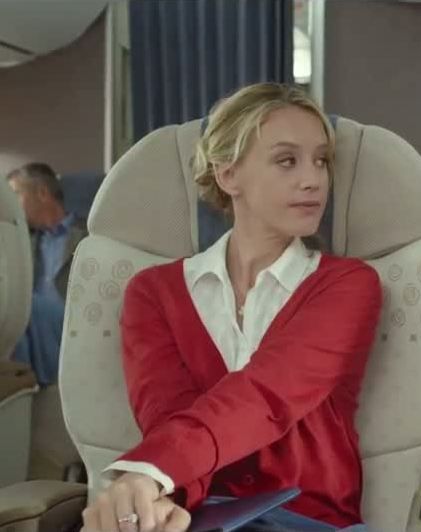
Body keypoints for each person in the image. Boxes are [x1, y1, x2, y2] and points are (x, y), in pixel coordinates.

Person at [80, 83, 382, 532]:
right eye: (287, 161)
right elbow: (167, 417)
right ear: (228, 175)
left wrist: (150, 473)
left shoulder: (348, 285)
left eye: (321, 161)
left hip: (311, 521)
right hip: (199, 517)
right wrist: (162, 500)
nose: (313, 179)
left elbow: (268, 395)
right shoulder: (153, 293)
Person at [6, 162, 87, 385]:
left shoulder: (89, 233)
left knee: (25, 307)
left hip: (74, 321)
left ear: (42, 193)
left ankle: (19, 383)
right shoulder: (23, 241)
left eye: (16, 194)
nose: (11, 206)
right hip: (33, 326)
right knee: (16, 309)